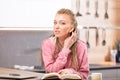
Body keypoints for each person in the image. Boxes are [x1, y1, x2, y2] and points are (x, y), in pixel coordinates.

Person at [41, 8, 89, 80]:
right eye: (55, 23)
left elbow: (84, 75)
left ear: (71, 28)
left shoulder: (81, 46)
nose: (56, 27)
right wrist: (65, 49)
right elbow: (50, 71)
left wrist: (71, 72)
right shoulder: (47, 44)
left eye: (62, 23)